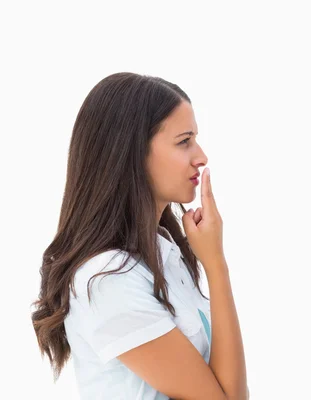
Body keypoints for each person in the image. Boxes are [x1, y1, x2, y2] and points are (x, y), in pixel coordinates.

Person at [31, 73, 248, 399]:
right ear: (131, 152)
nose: (200, 157)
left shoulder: (165, 255)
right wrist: (216, 265)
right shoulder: (107, 279)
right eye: (184, 140)